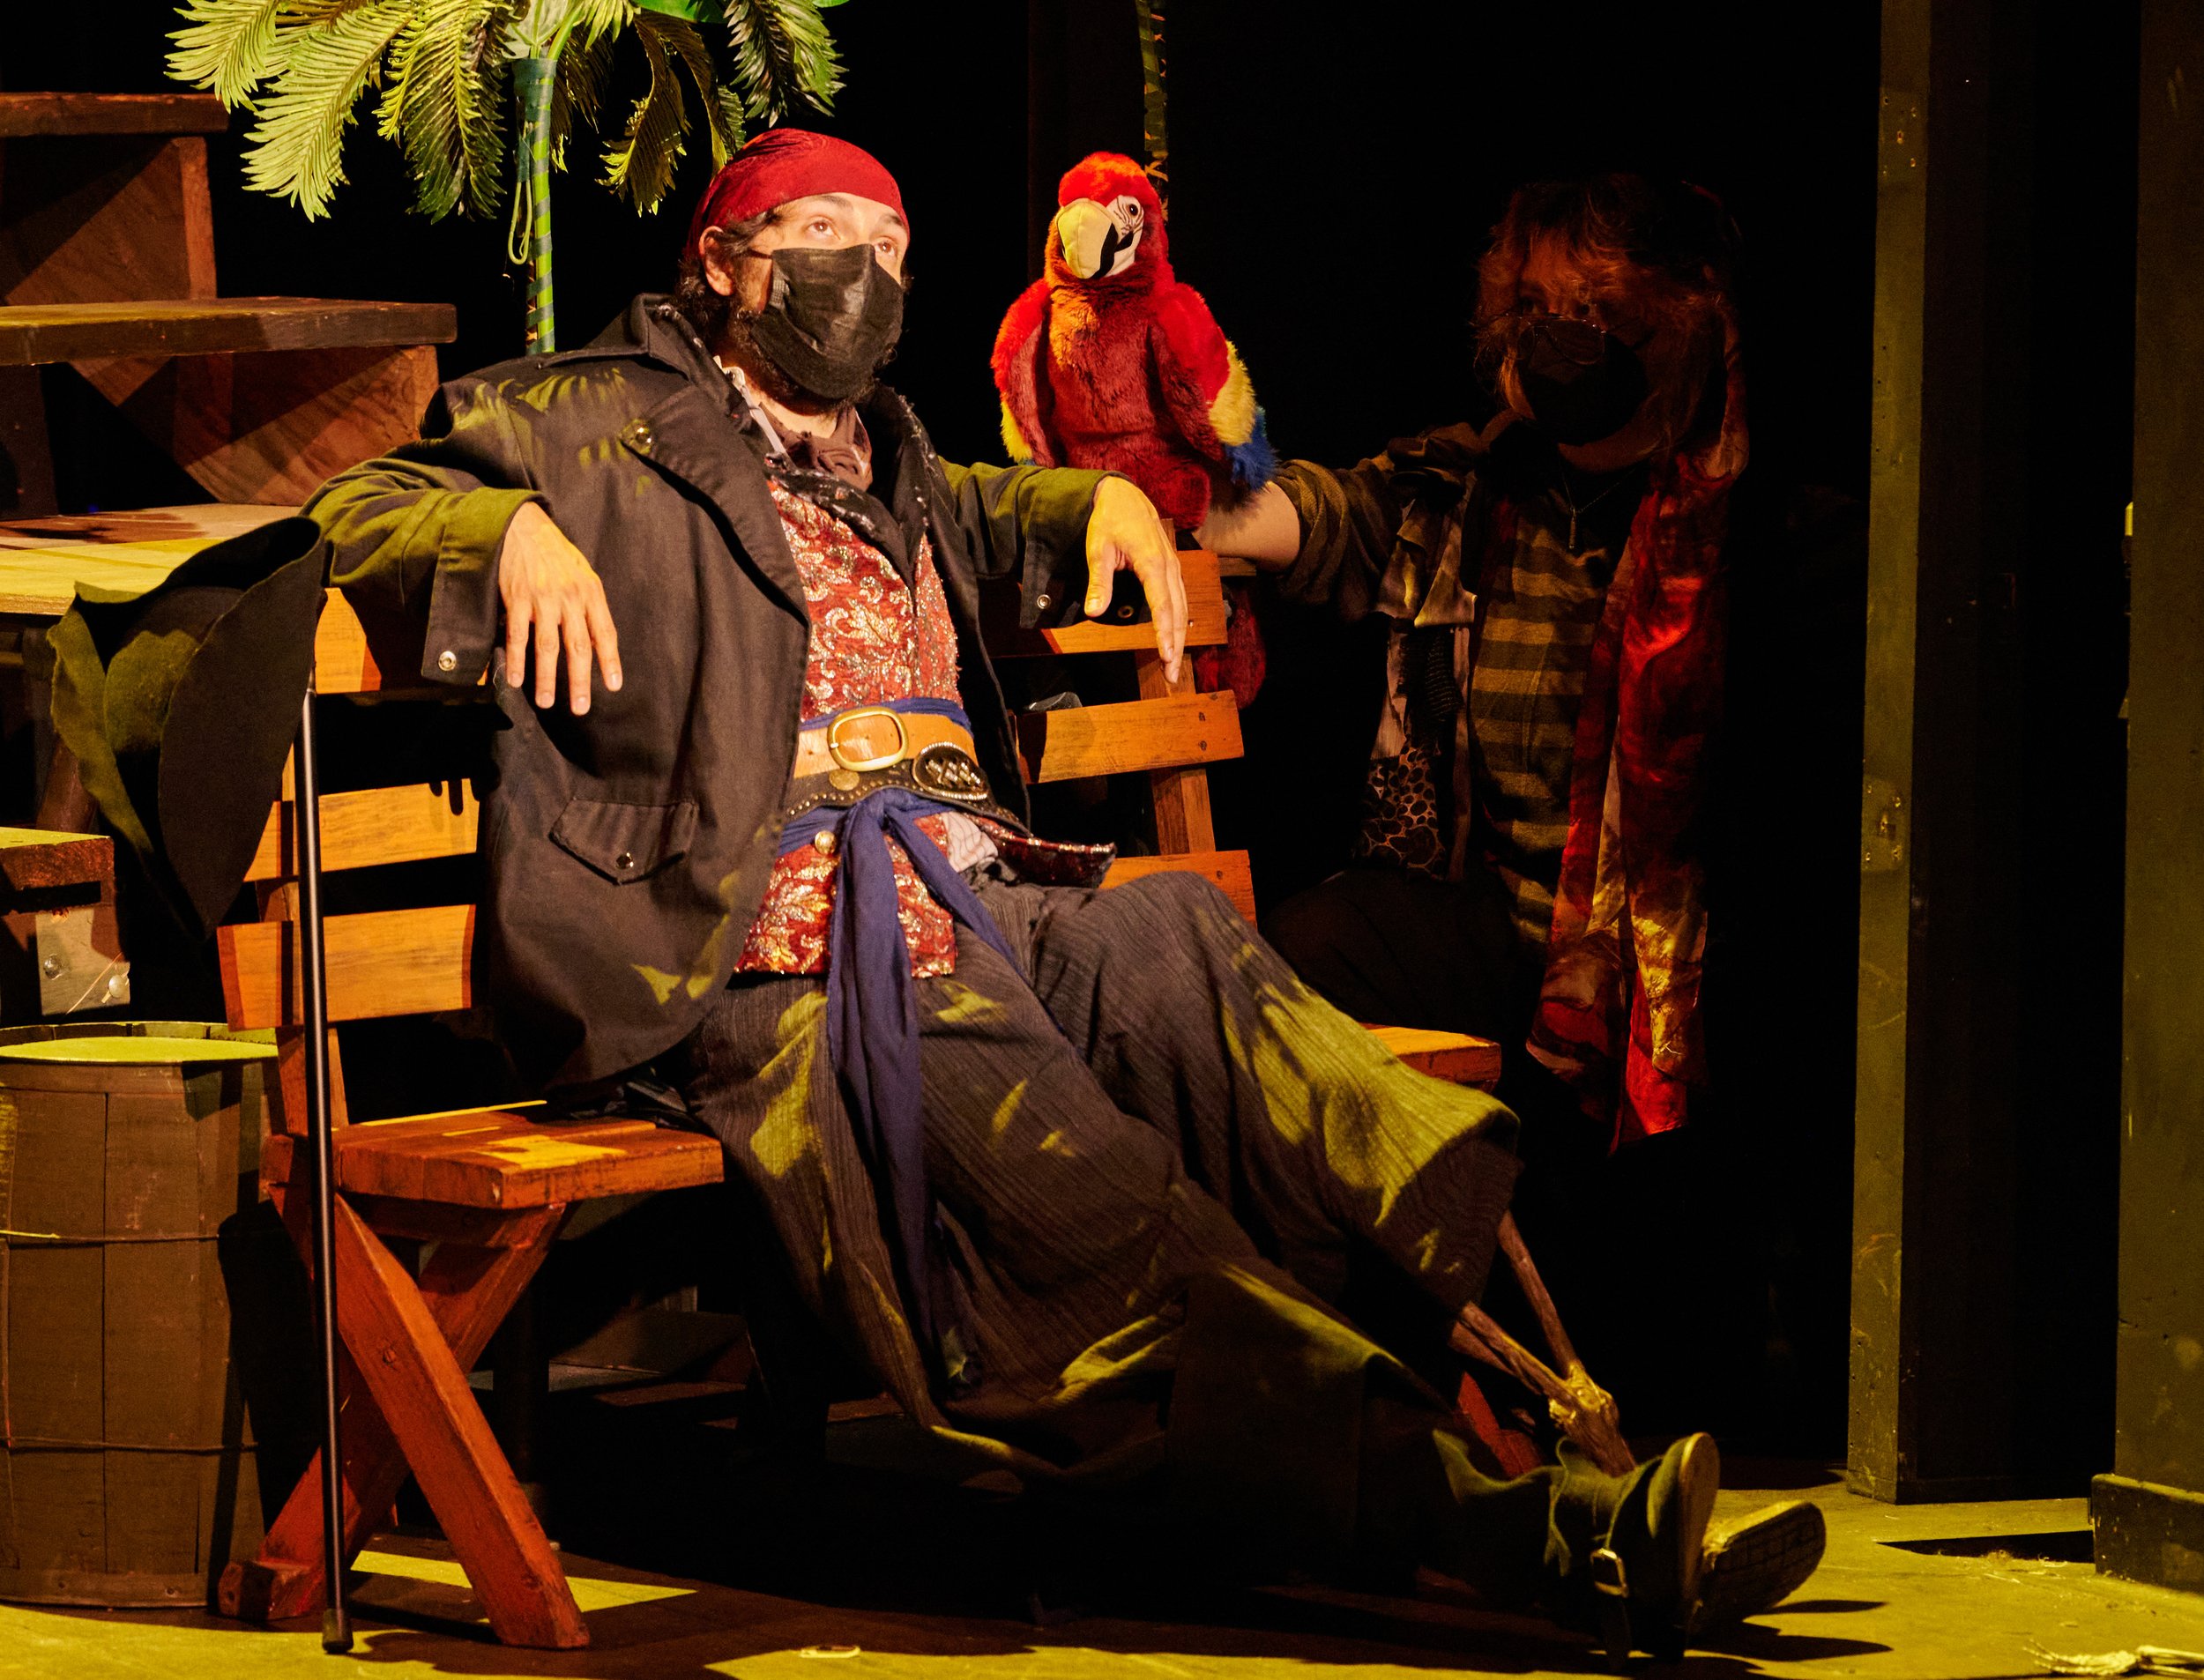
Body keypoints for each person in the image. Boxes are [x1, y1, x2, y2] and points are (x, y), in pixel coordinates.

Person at [309, 132, 1813, 1654]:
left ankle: (1541, 1385)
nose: (862, 274)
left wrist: (1084, 508)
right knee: (1095, 1201)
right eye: (822, 231)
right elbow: (356, 509)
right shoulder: (588, 424)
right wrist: (498, 531)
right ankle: (1514, 1527)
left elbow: (981, 509)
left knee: (1176, 934)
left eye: (890, 248)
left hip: (974, 904)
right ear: (719, 258)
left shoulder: (882, 453)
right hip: (777, 962)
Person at [1201, 174, 1746, 1155]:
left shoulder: (1747, 525)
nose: (1560, 337)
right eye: (1536, 308)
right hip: (1512, 926)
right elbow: (1338, 516)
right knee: (1311, 945)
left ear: (1682, 318)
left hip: (1683, 950)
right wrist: (1172, 511)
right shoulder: (1475, 484)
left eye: (1596, 311)